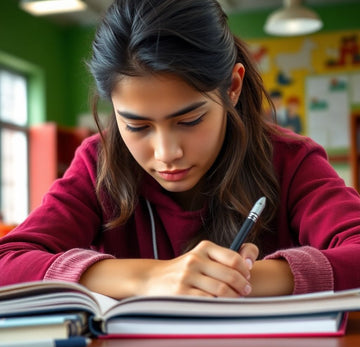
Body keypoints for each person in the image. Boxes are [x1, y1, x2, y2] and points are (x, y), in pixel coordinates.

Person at [1, 0, 360, 299]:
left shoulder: (291, 160)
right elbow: (8, 262)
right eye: (137, 126)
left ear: (232, 87)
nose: (166, 152)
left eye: (189, 121)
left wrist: (241, 279)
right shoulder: (99, 163)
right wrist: (148, 278)